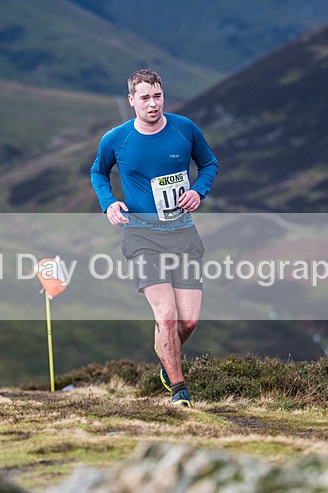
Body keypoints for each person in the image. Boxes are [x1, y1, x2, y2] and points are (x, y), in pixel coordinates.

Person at [90, 69, 218, 407]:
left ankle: (165, 353)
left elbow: (208, 164)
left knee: (187, 321)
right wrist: (109, 204)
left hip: (183, 232)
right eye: (144, 97)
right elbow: (98, 172)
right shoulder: (116, 139)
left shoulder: (184, 129)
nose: (152, 103)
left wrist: (198, 192)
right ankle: (180, 390)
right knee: (167, 315)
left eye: (157, 96)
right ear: (131, 100)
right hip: (142, 235)